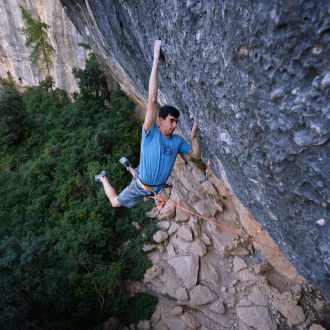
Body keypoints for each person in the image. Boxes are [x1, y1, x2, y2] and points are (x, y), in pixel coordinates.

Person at [95, 40, 201, 208]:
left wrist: (194, 137)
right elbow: (152, 100)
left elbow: (196, 155)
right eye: (171, 121)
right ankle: (102, 177)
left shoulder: (178, 141)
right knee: (115, 203)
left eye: (176, 122)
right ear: (160, 120)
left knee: (140, 175)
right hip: (141, 187)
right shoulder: (150, 132)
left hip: (152, 189)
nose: (174, 125)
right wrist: (155, 59)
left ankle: (129, 167)